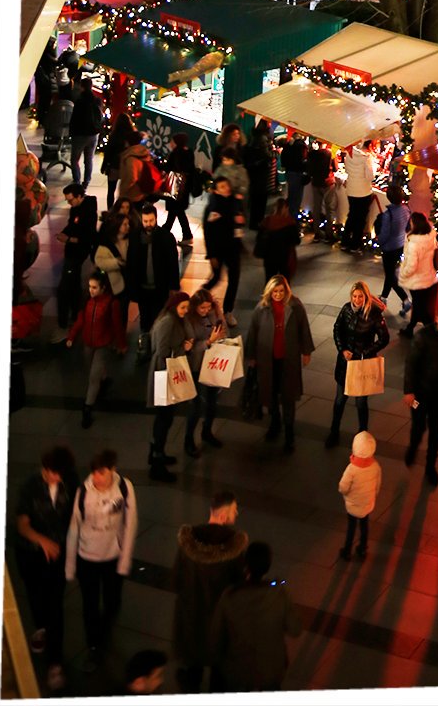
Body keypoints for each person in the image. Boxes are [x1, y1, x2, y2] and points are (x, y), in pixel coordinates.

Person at [66, 449, 138, 671]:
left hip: (112, 558)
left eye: (102, 474)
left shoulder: (124, 488)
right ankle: (94, 647)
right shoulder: (83, 492)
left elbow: (130, 524)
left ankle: (104, 633)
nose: (97, 478)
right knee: (89, 605)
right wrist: (70, 565)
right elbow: (74, 527)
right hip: (87, 558)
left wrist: (124, 559)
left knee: (112, 602)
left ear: (112, 470)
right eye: (94, 474)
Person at [14, 445, 77, 692]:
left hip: (58, 554)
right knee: (35, 596)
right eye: (53, 473)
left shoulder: (69, 479)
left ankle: (55, 663)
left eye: (61, 474)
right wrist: (42, 541)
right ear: (45, 468)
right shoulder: (30, 486)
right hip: (30, 554)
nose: (57, 478)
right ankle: (40, 627)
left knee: (55, 605)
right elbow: (22, 524)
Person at [171, 491, 248, 693]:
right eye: (234, 510)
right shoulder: (234, 545)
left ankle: (191, 684)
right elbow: (238, 586)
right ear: (223, 515)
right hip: (220, 621)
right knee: (220, 670)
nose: (237, 513)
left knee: (193, 664)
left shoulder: (188, 541)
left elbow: (176, 579)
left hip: (192, 615)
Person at [209, 542, 302, 692]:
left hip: (238, 669)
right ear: (268, 565)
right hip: (271, 669)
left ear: (246, 564)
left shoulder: (230, 595)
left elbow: (215, 636)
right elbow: (295, 629)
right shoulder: (279, 594)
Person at [244, 275, 314, 454]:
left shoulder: (295, 306)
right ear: (270, 291)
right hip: (267, 359)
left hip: (288, 359)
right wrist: (251, 356)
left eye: (281, 291)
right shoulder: (262, 309)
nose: (278, 294)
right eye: (275, 291)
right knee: (271, 393)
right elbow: (253, 332)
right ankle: (275, 423)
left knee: (288, 396)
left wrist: (306, 351)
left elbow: (303, 328)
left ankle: (289, 432)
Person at [326, 281, 391, 448]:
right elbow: (337, 329)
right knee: (340, 399)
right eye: (354, 296)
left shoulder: (374, 314)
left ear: (366, 296)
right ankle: (334, 431)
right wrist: (342, 350)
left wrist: (365, 352)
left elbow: (384, 338)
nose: (357, 300)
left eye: (360, 296)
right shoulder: (346, 309)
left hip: (362, 364)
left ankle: (363, 436)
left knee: (361, 403)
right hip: (345, 363)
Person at [403, 306, 438, 487]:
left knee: (436, 428)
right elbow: (410, 364)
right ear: (437, 319)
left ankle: (430, 466)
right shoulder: (422, 337)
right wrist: (409, 391)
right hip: (419, 392)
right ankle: (413, 447)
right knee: (418, 425)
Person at [146, 291, 196, 482]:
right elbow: (162, 351)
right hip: (164, 375)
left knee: (165, 418)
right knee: (163, 418)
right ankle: (157, 461)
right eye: (182, 307)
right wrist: (184, 349)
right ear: (174, 306)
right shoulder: (168, 322)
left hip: (166, 374)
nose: (185, 311)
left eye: (186, 307)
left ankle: (157, 452)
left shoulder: (175, 319)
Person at [67, 271, 127, 428]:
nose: (91, 290)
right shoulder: (87, 301)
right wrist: (72, 336)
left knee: (93, 376)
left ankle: (87, 408)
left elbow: (116, 325)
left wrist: (121, 344)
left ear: (103, 288)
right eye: (89, 287)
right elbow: (81, 320)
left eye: (94, 287)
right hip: (88, 342)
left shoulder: (111, 303)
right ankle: (104, 381)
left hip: (103, 345)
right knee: (93, 371)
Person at [126, 202, 181, 354]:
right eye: (145, 221)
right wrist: (132, 287)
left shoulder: (166, 237)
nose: (148, 224)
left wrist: (173, 286)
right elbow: (131, 262)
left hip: (160, 287)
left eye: (151, 221)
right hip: (142, 287)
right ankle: (145, 344)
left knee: (158, 316)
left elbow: (172, 263)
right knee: (144, 317)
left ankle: (157, 343)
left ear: (156, 219)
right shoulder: (135, 236)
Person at [185, 289, 228, 455]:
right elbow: (190, 347)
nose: (205, 311)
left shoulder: (214, 313)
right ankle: (188, 439)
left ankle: (207, 431)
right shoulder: (189, 319)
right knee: (195, 406)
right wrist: (209, 341)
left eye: (207, 308)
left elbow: (223, 330)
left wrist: (221, 339)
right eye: (202, 308)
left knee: (212, 401)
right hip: (196, 365)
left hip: (212, 363)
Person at [202, 177, 244, 327]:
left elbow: (239, 223)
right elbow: (208, 232)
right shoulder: (213, 208)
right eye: (221, 187)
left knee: (234, 280)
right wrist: (211, 254)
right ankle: (200, 299)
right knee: (216, 278)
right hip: (219, 250)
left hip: (233, 249)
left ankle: (228, 311)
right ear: (216, 190)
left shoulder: (235, 203)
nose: (225, 188)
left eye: (226, 185)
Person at [57, 182, 98, 328]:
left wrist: (68, 238)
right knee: (73, 283)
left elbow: (88, 237)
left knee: (65, 286)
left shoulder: (88, 212)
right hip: (72, 251)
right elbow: (71, 224)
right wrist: (65, 232)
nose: (69, 203)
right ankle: (75, 313)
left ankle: (64, 319)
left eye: (70, 200)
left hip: (78, 252)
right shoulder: (76, 208)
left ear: (79, 197)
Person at [338, 431, 381, 561]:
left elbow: (343, 487)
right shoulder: (375, 467)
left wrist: (345, 493)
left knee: (351, 528)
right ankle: (362, 548)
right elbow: (377, 485)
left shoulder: (352, 469)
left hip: (353, 505)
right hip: (367, 503)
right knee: (364, 526)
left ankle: (347, 550)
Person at [398, 211, 438, 337]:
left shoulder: (413, 244)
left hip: (417, 281)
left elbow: (411, 266)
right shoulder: (430, 236)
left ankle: (433, 332)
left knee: (421, 309)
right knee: (419, 305)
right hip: (429, 277)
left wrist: (402, 273)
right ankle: (410, 328)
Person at [159, 133, 197, 245]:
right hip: (184, 189)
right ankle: (183, 234)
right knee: (177, 211)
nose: (170, 143)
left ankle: (166, 233)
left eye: (172, 141)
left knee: (176, 211)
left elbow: (168, 168)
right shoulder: (189, 152)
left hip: (175, 187)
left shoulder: (175, 154)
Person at [375, 188, 410, 308]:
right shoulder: (406, 209)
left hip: (389, 247)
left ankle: (405, 299)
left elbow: (384, 234)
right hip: (400, 245)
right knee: (390, 272)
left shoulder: (388, 215)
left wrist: (380, 242)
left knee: (390, 274)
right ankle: (384, 297)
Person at [340, 142, 376, 253]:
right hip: (363, 191)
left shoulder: (349, 153)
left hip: (351, 189)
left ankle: (345, 242)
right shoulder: (367, 158)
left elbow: (346, 170)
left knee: (351, 215)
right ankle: (355, 245)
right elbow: (370, 176)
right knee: (360, 219)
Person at [68, 78, 103, 190]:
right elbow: (100, 117)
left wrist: (71, 133)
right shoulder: (97, 100)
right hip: (93, 134)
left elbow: (74, 118)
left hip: (80, 134)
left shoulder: (79, 101)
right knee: (89, 159)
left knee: (74, 159)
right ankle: (86, 181)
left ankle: (77, 181)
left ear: (82, 87)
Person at [256, 197, 302, 282]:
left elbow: (259, 238)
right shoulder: (289, 223)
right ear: (286, 208)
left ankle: (268, 295)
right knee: (284, 282)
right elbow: (296, 241)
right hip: (284, 258)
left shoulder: (267, 221)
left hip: (269, 257)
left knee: (269, 281)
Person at [101, 114, 137, 213]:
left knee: (111, 190)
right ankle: (126, 211)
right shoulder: (132, 135)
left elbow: (108, 152)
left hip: (114, 166)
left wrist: (104, 166)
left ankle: (110, 210)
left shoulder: (114, 135)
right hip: (127, 167)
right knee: (125, 191)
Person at [244, 120, 275, 230]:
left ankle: (253, 222)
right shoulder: (263, 139)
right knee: (261, 200)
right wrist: (275, 152)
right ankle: (258, 222)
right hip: (262, 174)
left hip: (254, 174)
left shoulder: (254, 137)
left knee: (255, 200)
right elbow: (268, 155)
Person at [117, 130, 160, 209]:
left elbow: (131, 177)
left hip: (131, 194)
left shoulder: (131, 158)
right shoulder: (143, 153)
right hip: (140, 193)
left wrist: (123, 191)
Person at [93, 211, 132, 298]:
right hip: (116, 285)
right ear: (117, 225)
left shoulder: (130, 240)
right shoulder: (107, 243)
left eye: (128, 224)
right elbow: (99, 261)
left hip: (130, 282)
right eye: (125, 224)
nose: (128, 226)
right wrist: (117, 263)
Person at [306, 142, 334, 235]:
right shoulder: (328, 153)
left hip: (316, 182)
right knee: (328, 208)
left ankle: (316, 233)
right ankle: (329, 234)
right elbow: (335, 168)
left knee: (316, 208)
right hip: (327, 183)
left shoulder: (311, 154)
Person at [279, 135, 308, 217]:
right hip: (298, 173)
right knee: (296, 199)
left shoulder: (288, 145)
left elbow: (283, 160)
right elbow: (303, 161)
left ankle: (288, 217)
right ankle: (292, 220)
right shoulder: (301, 146)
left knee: (291, 197)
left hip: (289, 172)